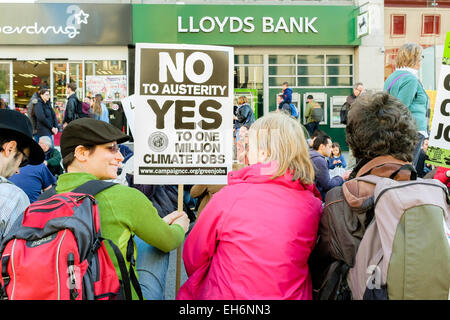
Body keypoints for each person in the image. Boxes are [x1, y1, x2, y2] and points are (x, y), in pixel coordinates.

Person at [177, 112, 323, 300]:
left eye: (249, 145)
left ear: (264, 153)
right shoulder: (313, 205)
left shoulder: (230, 197)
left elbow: (193, 257)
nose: (246, 151)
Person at [57, 118, 190, 299]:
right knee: (151, 244)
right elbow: (168, 241)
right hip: (114, 294)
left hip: (60, 291)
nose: (120, 156)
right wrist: (179, 227)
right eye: (112, 148)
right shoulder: (123, 197)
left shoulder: (40, 202)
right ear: (81, 153)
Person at [309, 92, 422, 299]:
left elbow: (318, 269)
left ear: (354, 141)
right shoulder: (428, 194)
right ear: (409, 138)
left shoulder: (339, 200)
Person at [0, 109, 45, 236]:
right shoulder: (13, 197)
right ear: (10, 148)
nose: (18, 170)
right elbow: (18, 252)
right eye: (23, 161)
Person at [383, 43, 428, 170]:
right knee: (408, 170)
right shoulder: (410, 79)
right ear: (413, 58)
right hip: (411, 132)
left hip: (400, 132)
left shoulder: (392, 77)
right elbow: (402, 109)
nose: (421, 60)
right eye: (421, 56)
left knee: (400, 169)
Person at [309, 135, 349, 201]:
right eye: (330, 147)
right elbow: (327, 185)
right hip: (317, 197)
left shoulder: (311, 154)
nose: (332, 150)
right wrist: (342, 178)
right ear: (322, 146)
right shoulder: (319, 160)